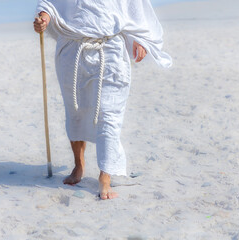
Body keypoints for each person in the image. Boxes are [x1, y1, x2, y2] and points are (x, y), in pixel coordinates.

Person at [33, 0, 172, 200]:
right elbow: (51, 4)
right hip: (72, 49)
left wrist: (141, 39)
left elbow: (136, 8)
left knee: (109, 114)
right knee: (76, 111)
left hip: (110, 50)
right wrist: (44, 18)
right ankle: (79, 166)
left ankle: (105, 175)